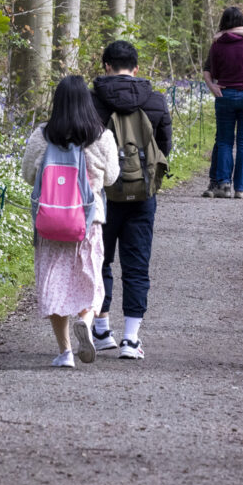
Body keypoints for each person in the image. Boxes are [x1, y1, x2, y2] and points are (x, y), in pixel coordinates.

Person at [22, 76, 120, 368]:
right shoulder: (101, 136)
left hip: (50, 223)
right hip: (87, 222)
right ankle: (87, 323)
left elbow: (28, 174)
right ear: (87, 102)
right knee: (90, 277)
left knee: (54, 281)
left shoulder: (42, 135)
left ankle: (64, 352)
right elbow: (113, 177)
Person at [90, 40, 172, 360]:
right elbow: (164, 145)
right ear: (136, 68)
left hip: (102, 195)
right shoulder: (155, 100)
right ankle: (131, 339)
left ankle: (101, 330)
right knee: (137, 266)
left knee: (100, 260)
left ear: (106, 66)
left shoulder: (92, 101)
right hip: (142, 195)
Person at [201, 7, 243, 200]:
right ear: (242, 22)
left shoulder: (217, 44)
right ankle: (241, 189)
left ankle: (223, 185)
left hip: (225, 94)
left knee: (224, 141)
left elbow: (213, 71)